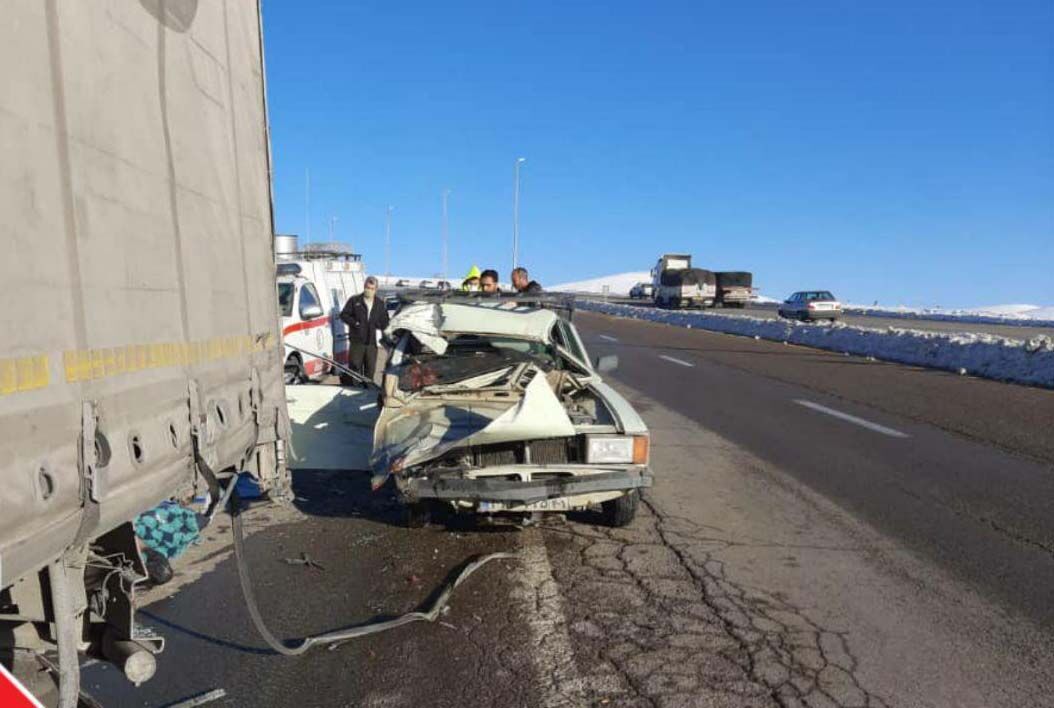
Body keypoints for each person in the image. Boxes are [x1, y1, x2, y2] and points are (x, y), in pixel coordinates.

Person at [339, 276, 389, 385]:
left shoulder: (379, 304)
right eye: (367, 287)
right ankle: (353, 391)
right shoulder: (355, 300)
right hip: (357, 341)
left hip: (372, 343)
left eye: (371, 288)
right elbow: (344, 315)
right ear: (364, 287)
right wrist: (355, 323)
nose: (369, 290)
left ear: (375, 289)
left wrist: (380, 326)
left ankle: (367, 392)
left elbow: (385, 321)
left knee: (370, 370)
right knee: (355, 369)